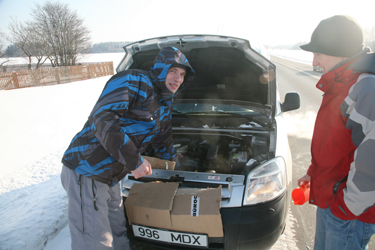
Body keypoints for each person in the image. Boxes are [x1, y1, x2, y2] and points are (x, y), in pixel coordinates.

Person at [60, 46, 195, 250]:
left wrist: (179, 170)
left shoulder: (164, 105)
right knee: (95, 240)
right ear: (160, 68)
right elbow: (103, 119)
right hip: (87, 169)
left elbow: (163, 142)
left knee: (118, 229)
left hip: (114, 172)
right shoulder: (132, 81)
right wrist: (135, 161)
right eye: (173, 71)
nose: (178, 78)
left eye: (183, 74)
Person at [298, 15, 375, 250]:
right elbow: (336, 142)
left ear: (340, 52)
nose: (314, 62)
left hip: (349, 213)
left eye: (319, 54)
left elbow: (371, 158)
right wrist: (314, 172)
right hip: (332, 200)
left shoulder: (365, 88)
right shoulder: (340, 83)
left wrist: (348, 206)